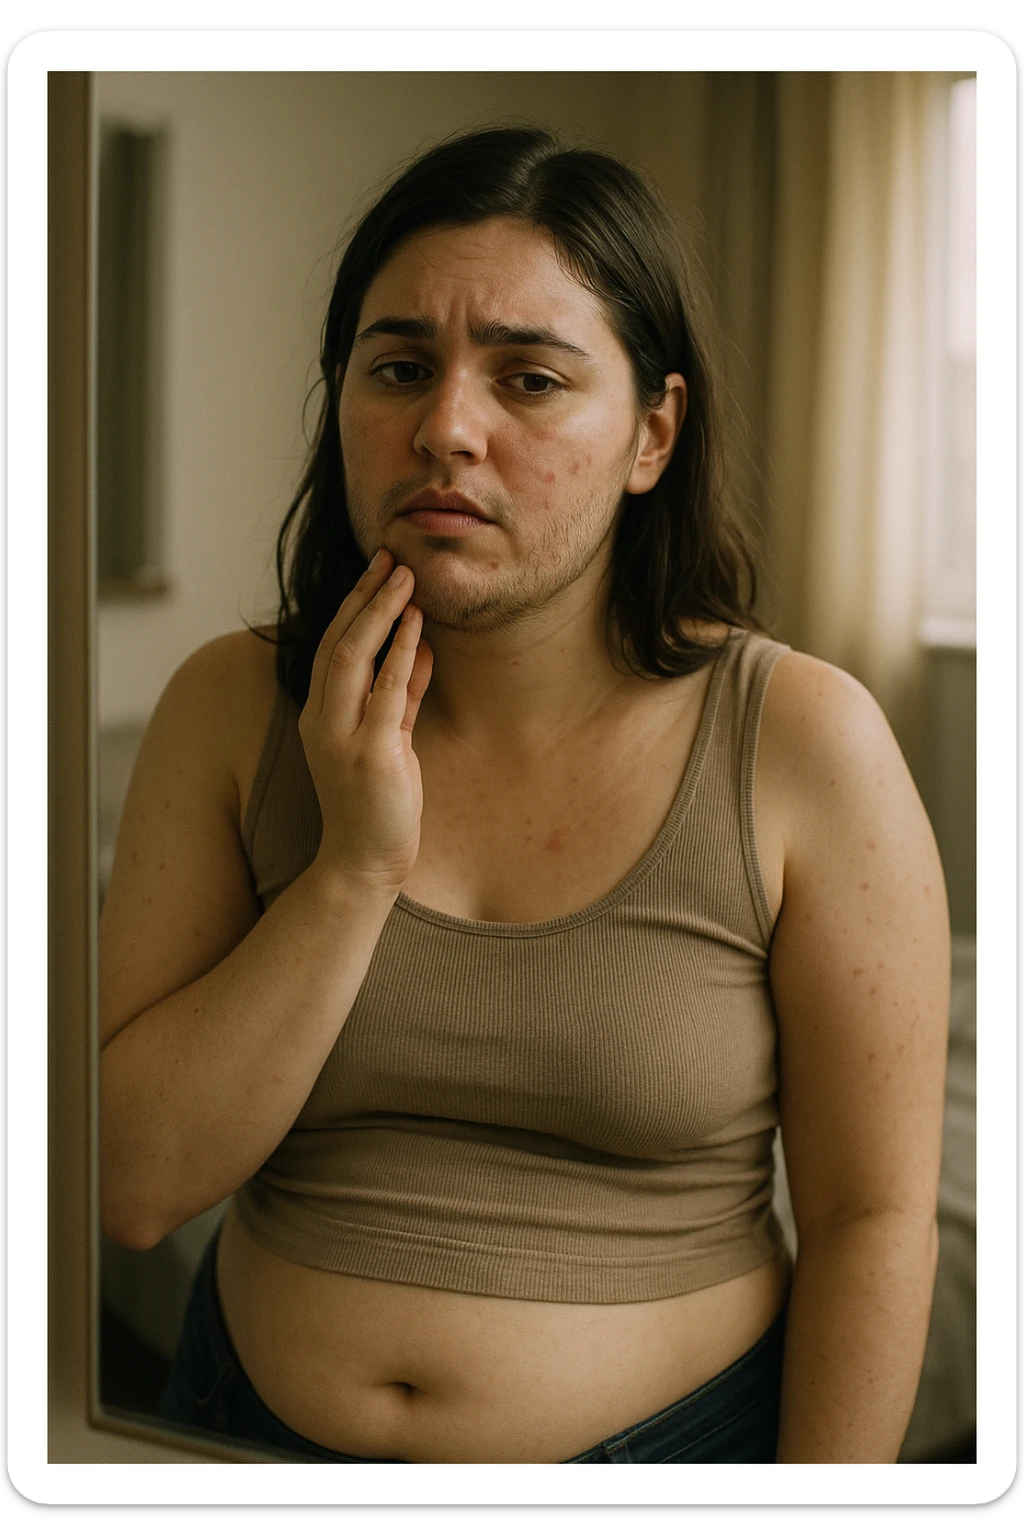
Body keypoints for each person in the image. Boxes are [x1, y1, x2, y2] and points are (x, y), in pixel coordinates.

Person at [99, 125, 950, 1464]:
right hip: (237, 1438)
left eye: (531, 379)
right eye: (396, 369)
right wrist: (352, 871)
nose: (445, 427)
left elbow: (873, 1221)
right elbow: (132, 1189)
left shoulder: (803, 743)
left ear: (652, 435)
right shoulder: (229, 707)